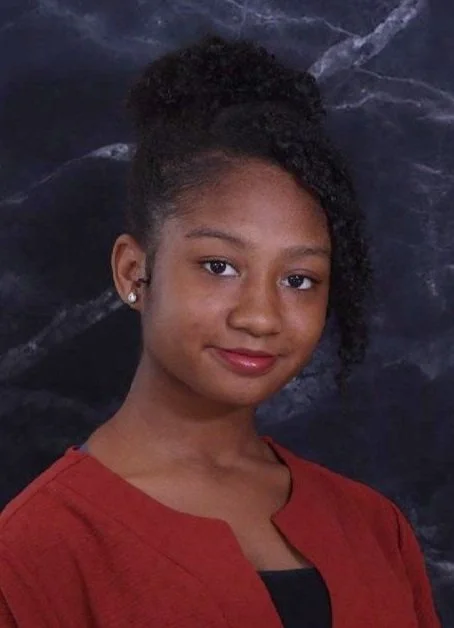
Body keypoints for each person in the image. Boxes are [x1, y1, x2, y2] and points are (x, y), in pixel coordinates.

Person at [0, 35, 440, 628]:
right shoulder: (32, 556)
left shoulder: (375, 527)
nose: (260, 316)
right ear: (134, 272)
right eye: (219, 266)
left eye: (300, 279)